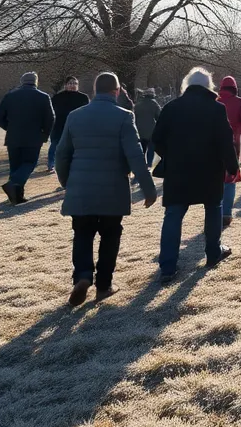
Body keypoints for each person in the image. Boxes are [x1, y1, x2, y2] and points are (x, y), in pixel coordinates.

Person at [55, 71, 157, 306]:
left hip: (81, 187)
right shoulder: (124, 116)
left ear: (94, 90)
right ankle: (104, 285)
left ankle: (82, 276)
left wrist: (67, 181)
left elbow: (61, 154)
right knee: (111, 234)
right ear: (117, 91)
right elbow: (135, 156)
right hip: (113, 187)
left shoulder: (75, 116)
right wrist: (148, 189)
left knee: (82, 233)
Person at [152, 67, 238, 281]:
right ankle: (213, 253)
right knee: (213, 208)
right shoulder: (217, 108)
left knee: (173, 214)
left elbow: (157, 139)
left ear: (187, 85)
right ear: (209, 86)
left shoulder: (171, 107)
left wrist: (170, 156)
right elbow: (225, 140)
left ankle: (167, 266)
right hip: (210, 169)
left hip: (177, 170)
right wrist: (232, 166)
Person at [0, 71, 55, 205]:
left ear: (22, 82)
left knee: (15, 166)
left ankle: (16, 197)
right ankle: (13, 185)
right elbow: (50, 118)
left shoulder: (10, 96)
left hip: (13, 136)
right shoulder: (43, 97)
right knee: (29, 163)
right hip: (34, 136)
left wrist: (9, 128)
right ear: (36, 82)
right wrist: (44, 134)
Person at [216, 76, 241, 228]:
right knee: (230, 178)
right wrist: (237, 132)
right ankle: (227, 213)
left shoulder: (215, 100)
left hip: (215, 144)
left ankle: (215, 211)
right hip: (233, 143)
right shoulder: (240, 102)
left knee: (216, 178)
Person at [48, 77, 89, 173]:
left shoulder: (83, 97)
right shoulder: (57, 97)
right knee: (55, 145)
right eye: (70, 83)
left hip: (77, 125)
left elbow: (87, 112)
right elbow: (51, 111)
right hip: (59, 125)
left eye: (75, 83)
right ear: (65, 85)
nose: (72, 85)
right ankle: (51, 164)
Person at [134, 88, 161, 168]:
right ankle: (149, 165)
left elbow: (134, 117)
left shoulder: (138, 105)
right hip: (151, 131)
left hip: (140, 131)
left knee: (142, 149)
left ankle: (141, 164)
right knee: (151, 149)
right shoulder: (154, 104)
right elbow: (159, 117)